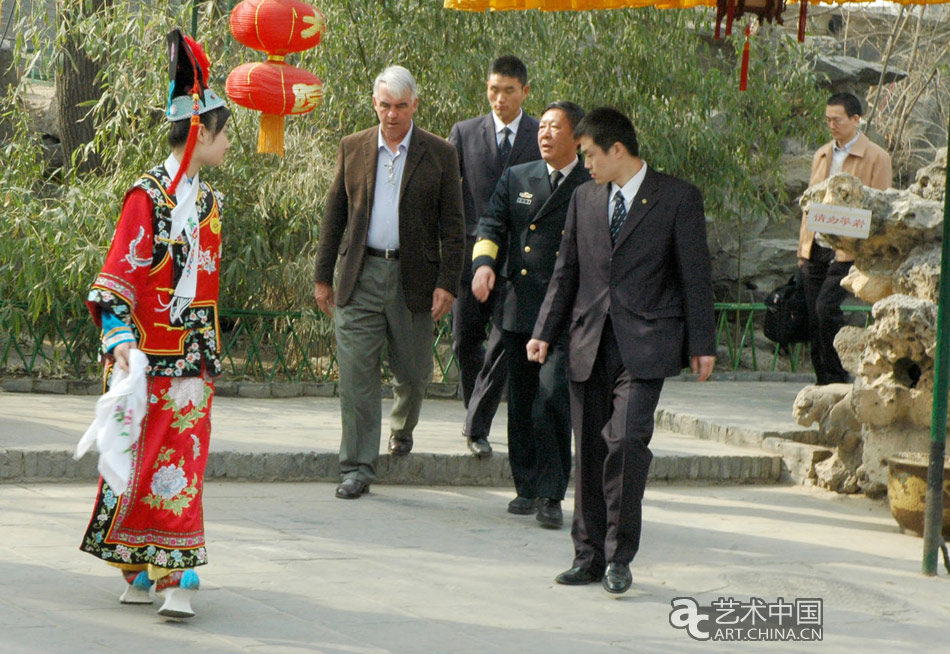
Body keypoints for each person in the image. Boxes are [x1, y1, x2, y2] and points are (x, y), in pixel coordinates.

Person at [527, 107, 716, 594]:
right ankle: (587, 555)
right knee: (589, 450)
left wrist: (703, 344)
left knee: (626, 443)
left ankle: (619, 556)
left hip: (646, 345)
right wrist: (544, 331)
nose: (584, 163)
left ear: (617, 150)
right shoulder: (584, 201)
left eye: (589, 154)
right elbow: (566, 272)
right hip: (587, 343)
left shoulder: (677, 198)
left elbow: (694, 275)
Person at [80, 29, 230, 618]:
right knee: (140, 463)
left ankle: (174, 575)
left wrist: (207, 352)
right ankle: (140, 568)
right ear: (201, 131)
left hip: (192, 363)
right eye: (223, 134)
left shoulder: (210, 204)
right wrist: (118, 341)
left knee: (182, 465)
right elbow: (119, 271)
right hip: (144, 358)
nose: (226, 145)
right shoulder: (146, 197)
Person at [314, 66, 464, 500]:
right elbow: (334, 215)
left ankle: (402, 426)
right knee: (357, 375)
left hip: (413, 278)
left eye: (401, 106)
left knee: (414, 373)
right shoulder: (354, 147)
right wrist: (323, 276)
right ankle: (358, 466)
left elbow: (454, 227)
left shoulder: (440, 153)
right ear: (374, 104)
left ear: (415, 104)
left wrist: (447, 283)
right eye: (385, 106)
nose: (392, 115)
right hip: (360, 275)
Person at [471, 102, 589, 527]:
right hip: (519, 307)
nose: (544, 134)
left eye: (555, 127)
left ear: (577, 137)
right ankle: (525, 486)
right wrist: (484, 264)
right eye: (542, 126)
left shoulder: (589, 183)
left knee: (551, 399)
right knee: (520, 401)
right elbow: (490, 224)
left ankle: (552, 493)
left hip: (564, 312)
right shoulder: (518, 176)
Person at [448, 56, 541, 458]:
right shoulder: (465, 133)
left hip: (522, 259)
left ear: (524, 92)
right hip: (473, 256)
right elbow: (450, 198)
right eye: (493, 90)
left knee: (505, 343)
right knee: (464, 340)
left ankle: (477, 426)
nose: (499, 98)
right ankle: (476, 409)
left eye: (508, 91)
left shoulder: (543, 134)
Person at [798, 92, 892, 385]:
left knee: (826, 309)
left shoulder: (877, 156)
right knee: (813, 317)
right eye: (827, 120)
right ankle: (823, 381)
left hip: (847, 250)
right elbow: (809, 203)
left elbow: (882, 206)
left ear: (855, 119)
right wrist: (802, 248)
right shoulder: (823, 154)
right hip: (816, 247)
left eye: (837, 119)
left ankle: (838, 377)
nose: (831, 125)